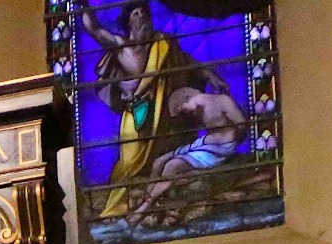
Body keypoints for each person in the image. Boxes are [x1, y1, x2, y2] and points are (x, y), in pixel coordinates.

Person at [81, 3, 196, 217]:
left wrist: (211, 76)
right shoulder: (121, 46)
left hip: (162, 111)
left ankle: (154, 199)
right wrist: (82, 6)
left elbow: (189, 65)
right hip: (136, 113)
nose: (142, 16)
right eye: (136, 13)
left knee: (162, 154)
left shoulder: (164, 44)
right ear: (128, 21)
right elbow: (94, 30)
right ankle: (115, 206)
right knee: (129, 161)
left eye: (144, 13)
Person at [129, 80, 248, 225]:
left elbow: (242, 124)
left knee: (172, 166)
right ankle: (152, 195)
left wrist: (226, 135)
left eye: (183, 109)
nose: (187, 113)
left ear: (188, 98)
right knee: (159, 162)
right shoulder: (196, 113)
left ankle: (146, 206)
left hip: (218, 148)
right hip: (202, 144)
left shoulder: (223, 101)